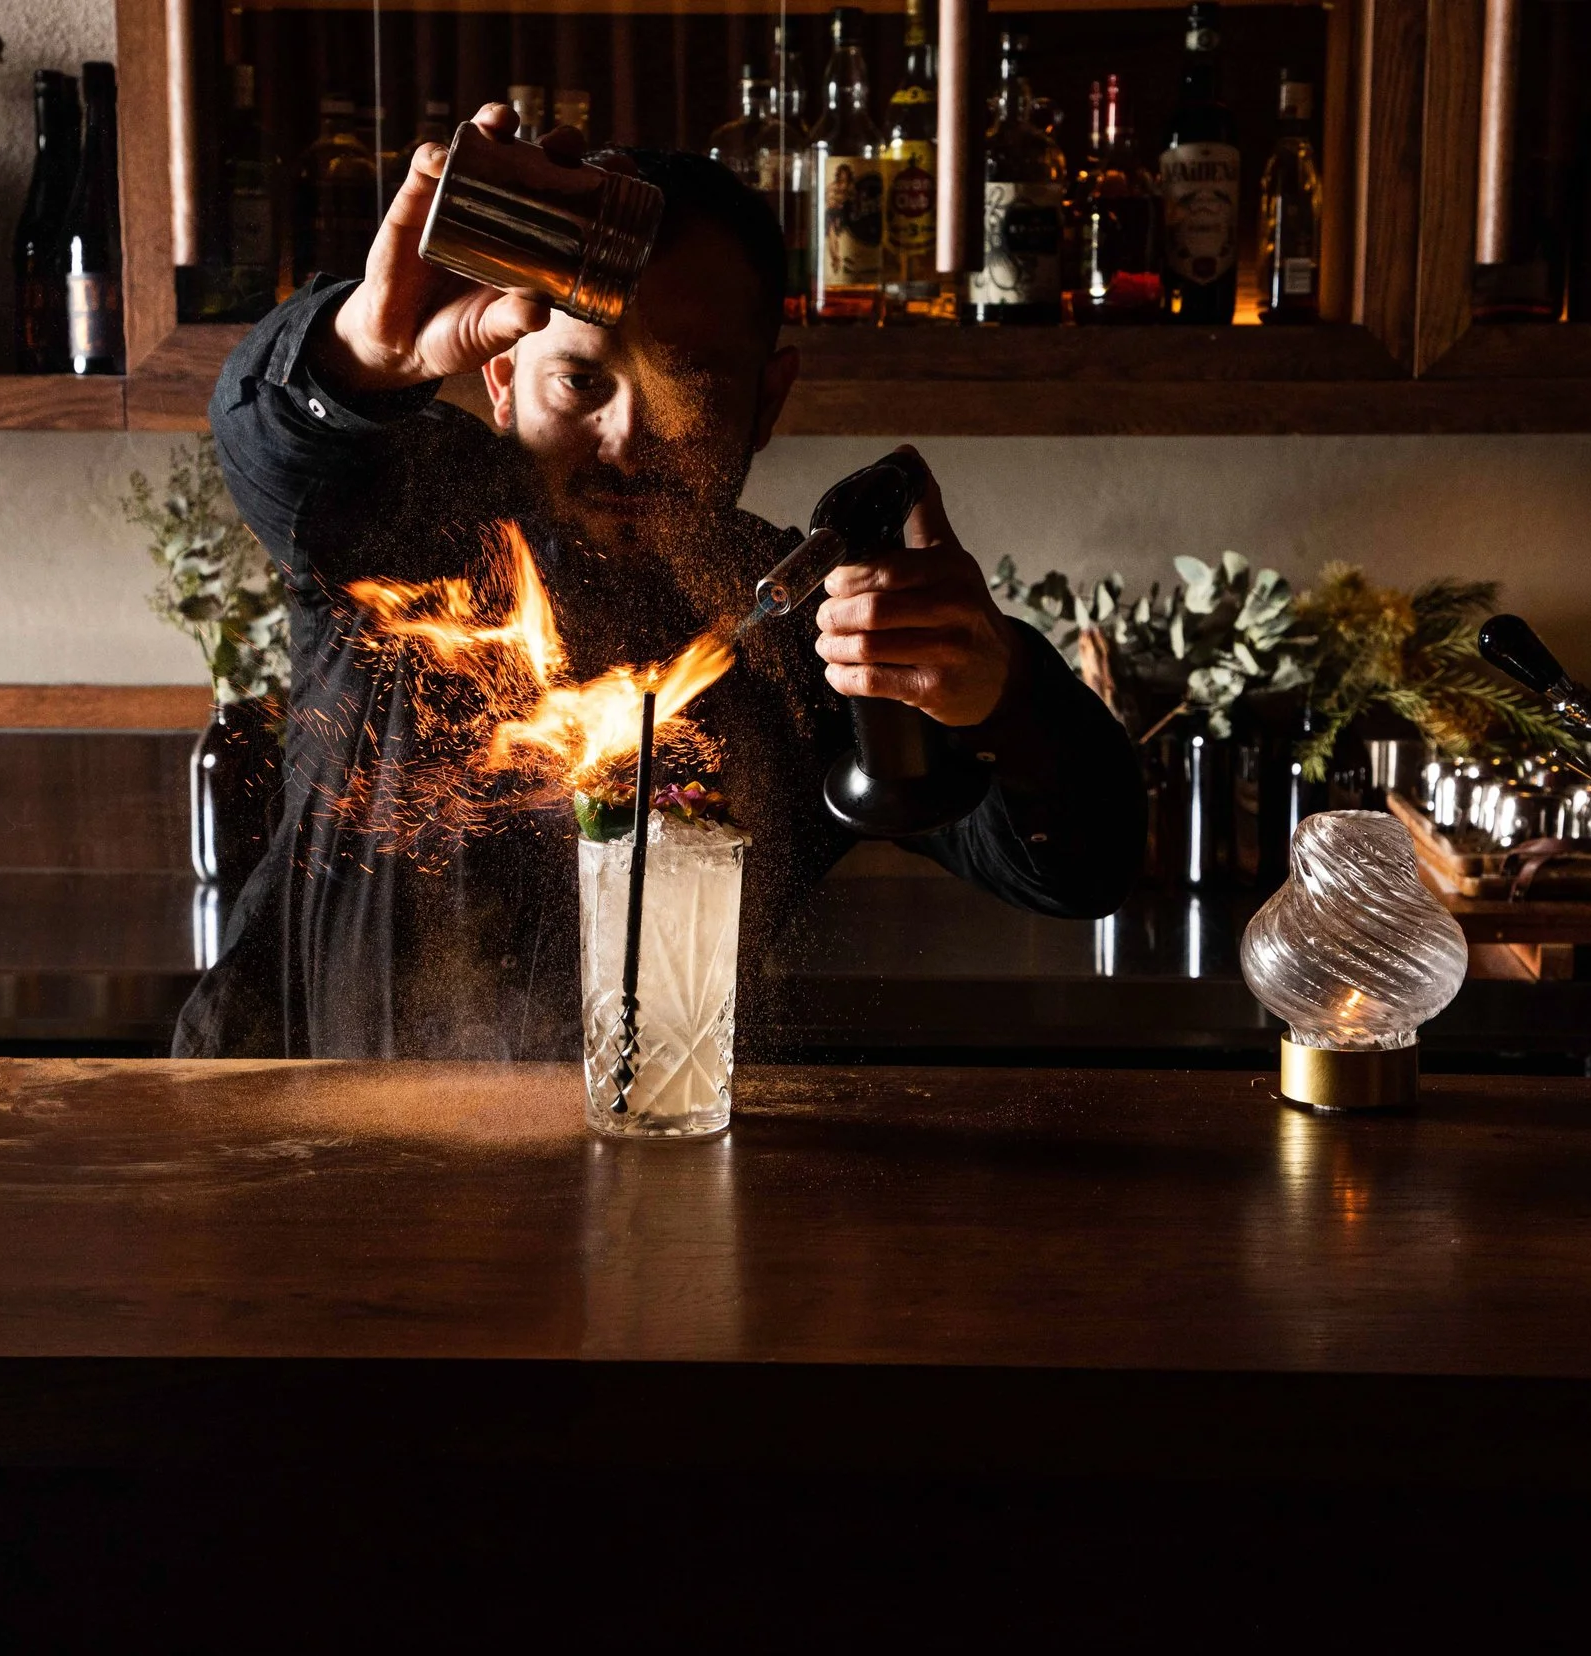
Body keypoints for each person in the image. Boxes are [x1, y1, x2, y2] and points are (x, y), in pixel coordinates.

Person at [175, 101, 1140, 1060]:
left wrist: (1000, 693)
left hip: (654, 1181)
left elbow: (1080, 870)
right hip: (311, 1172)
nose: (629, 441)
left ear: (767, 402)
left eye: (689, 390)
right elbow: (271, 437)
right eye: (582, 382)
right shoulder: (406, 522)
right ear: (503, 378)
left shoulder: (798, 630)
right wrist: (357, 354)